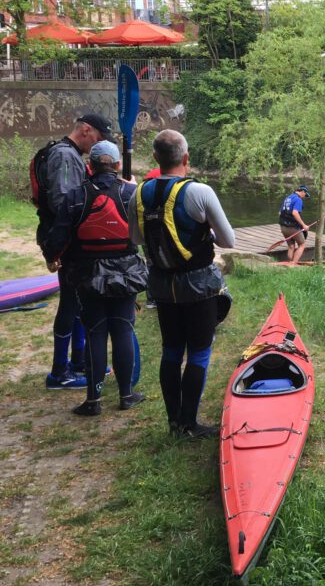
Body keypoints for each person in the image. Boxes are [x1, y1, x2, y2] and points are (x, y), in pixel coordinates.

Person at [130, 129, 235, 439]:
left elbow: (134, 240)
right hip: (198, 286)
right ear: (186, 158)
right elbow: (229, 240)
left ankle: (173, 421)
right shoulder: (200, 192)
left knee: (171, 350)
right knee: (199, 352)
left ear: (155, 159)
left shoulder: (139, 193)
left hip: (161, 285)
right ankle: (188, 423)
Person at [43, 141, 147, 417]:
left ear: (89, 166)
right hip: (126, 274)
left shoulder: (76, 195)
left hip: (87, 275)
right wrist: (134, 189)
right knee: (123, 329)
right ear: (117, 165)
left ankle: (93, 400)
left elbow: (58, 236)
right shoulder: (132, 193)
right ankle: (126, 395)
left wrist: (51, 257)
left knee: (95, 333)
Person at [36, 113, 114, 390]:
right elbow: (63, 203)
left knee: (79, 301)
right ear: (85, 129)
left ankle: (79, 360)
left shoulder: (69, 155)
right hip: (67, 242)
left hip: (71, 239)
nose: (97, 145)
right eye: (98, 139)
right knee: (70, 304)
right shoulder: (64, 156)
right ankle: (59, 372)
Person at [278, 186, 310, 264]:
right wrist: (303, 225)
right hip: (292, 227)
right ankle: (293, 264)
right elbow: (295, 213)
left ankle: (289, 263)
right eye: (305, 195)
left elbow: (279, 213)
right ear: (302, 191)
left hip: (283, 227)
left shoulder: (288, 198)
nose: (304, 197)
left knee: (291, 246)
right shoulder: (298, 199)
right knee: (302, 244)